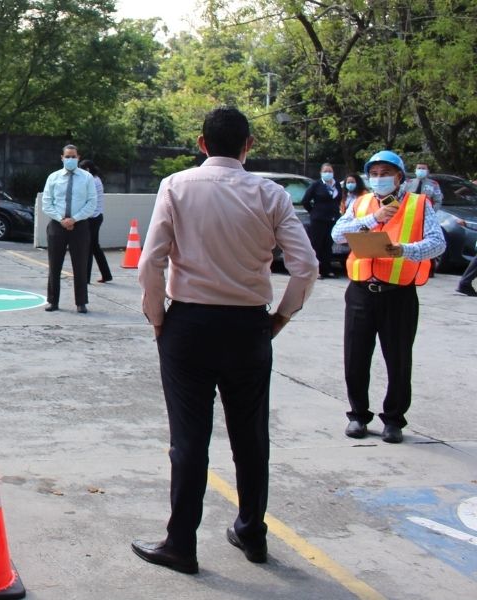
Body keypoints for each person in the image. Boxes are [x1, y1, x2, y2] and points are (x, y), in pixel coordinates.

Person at [132, 106, 317, 575]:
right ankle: (252, 532)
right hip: (248, 328)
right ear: (248, 145)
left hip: (189, 325)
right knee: (251, 436)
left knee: (189, 440)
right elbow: (306, 266)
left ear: (201, 143)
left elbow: (151, 261)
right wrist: (281, 317)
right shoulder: (271, 194)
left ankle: (180, 544)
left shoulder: (175, 186)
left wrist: (158, 318)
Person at [331, 150, 445, 443]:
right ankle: (358, 416)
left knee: (398, 359)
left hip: (398, 294)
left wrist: (406, 250)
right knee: (355, 357)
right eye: (375, 174)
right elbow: (337, 234)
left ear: (399, 178)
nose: (379, 179)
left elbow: (437, 243)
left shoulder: (420, 205)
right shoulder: (362, 203)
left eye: (386, 174)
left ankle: (393, 420)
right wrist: (372, 219)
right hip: (360, 292)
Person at [41, 145, 97, 313]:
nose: (70, 159)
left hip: (79, 225)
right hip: (57, 225)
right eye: (67, 156)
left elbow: (92, 203)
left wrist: (75, 218)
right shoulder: (53, 177)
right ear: (62, 158)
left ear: (78, 157)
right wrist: (62, 219)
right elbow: (46, 202)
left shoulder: (87, 178)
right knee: (54, 265)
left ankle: (81, 302)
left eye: (73, 156)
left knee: (80, 264)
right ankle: (53, 301)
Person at [302, 163, 344, 278]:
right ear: (321, 173)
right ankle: (317, 269)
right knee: (317, 244)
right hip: (318, 220)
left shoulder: (337, 185)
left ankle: (327, 268)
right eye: (325, 171)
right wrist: (314, 212)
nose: (328, 173)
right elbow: (305, 201)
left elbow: (338, 200)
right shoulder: (316, 185)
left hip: (332, 219)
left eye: (330, 171)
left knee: (328, 245)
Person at [81, 158, 113, 284]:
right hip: (96, 217)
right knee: (94, 247)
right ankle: (106, 274)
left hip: (92, 218)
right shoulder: (96, 179)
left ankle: (85, 278)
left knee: (88, 247)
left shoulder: (92, 181)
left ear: (87, 169)